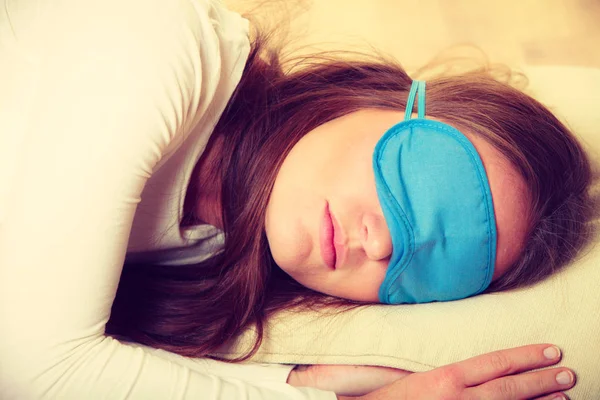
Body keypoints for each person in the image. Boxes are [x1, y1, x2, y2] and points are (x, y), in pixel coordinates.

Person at [0, 0, 594, 398]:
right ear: (378, 96)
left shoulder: (209, 249)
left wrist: (319, 378)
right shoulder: (161, 50)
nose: (385, 242)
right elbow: (33, 369)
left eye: (432, 267)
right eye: (420, 179)